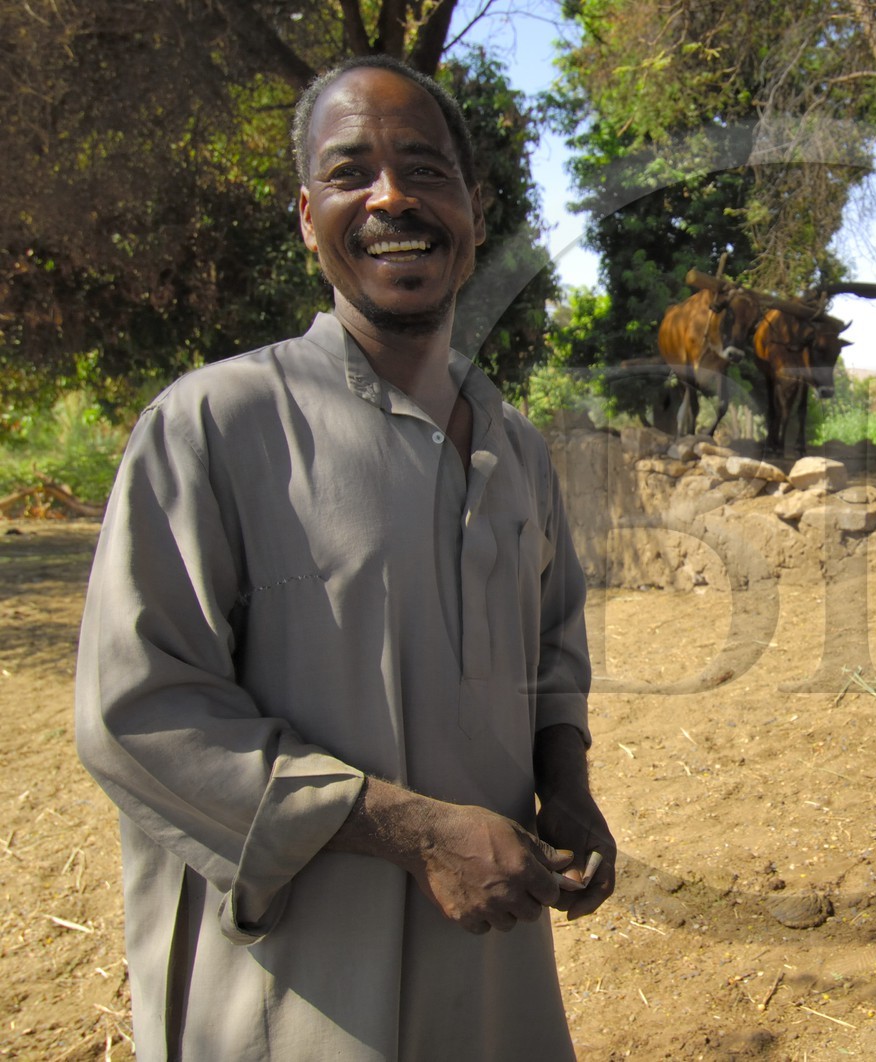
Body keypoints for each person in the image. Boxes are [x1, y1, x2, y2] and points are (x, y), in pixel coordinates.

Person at [74, 55, 614, 1061]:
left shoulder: (515, 448)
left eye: (425, 168)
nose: (392, 197)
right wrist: (407, 830)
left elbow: (554, 647)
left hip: (491, 993)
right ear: (304, 215)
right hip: (294, 1000)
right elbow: (136, 712)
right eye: (349, 171)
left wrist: (564, 778)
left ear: (476, 209)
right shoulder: (212, 426)